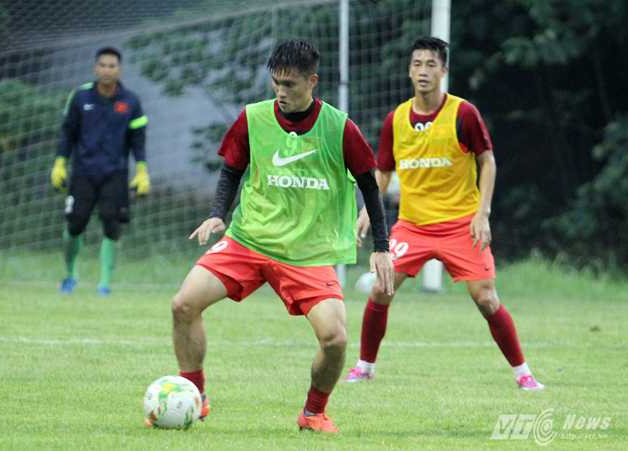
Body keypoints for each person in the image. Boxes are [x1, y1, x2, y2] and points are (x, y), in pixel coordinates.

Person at [167, 39, 394, 434]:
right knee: (183, 304)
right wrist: (217, 214)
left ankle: (313, 413)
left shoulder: (339, 127)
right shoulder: (253, 118)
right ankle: (194, 396)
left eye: (289, 84)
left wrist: (381, 247)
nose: (280, 92)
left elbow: (369, 186)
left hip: (307, 253)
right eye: (276, 83)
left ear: (312, 81)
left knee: (335, 339)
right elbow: (231, 170)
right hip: (249, 241)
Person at [345, 37, 544, 391]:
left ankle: (523, 373)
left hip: (460, 225)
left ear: (444, 71)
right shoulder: (396, 120)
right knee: (380, 289)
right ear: (409, 71)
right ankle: (364, 367)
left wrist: (482, 213)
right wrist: (367, 210)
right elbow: (383, 173)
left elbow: (487, 162)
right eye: (417, 64)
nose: (423, 71)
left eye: (430, 64)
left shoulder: (463, 114)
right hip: (413, 226)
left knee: (486, 297)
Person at [50, 47, 150, 296]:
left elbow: (138, 140)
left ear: (119, 69)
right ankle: (70, 276)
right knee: (75, 224)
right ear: (96, 68)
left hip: (115, 174)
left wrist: (142, 170)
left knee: (111, 225)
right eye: (102, 65)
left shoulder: (131, 101)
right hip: (83, 172)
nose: (107, 70)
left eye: (112, 66)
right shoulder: (80, 96)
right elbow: (67, 133)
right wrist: (60, 163)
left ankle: (104, 284)